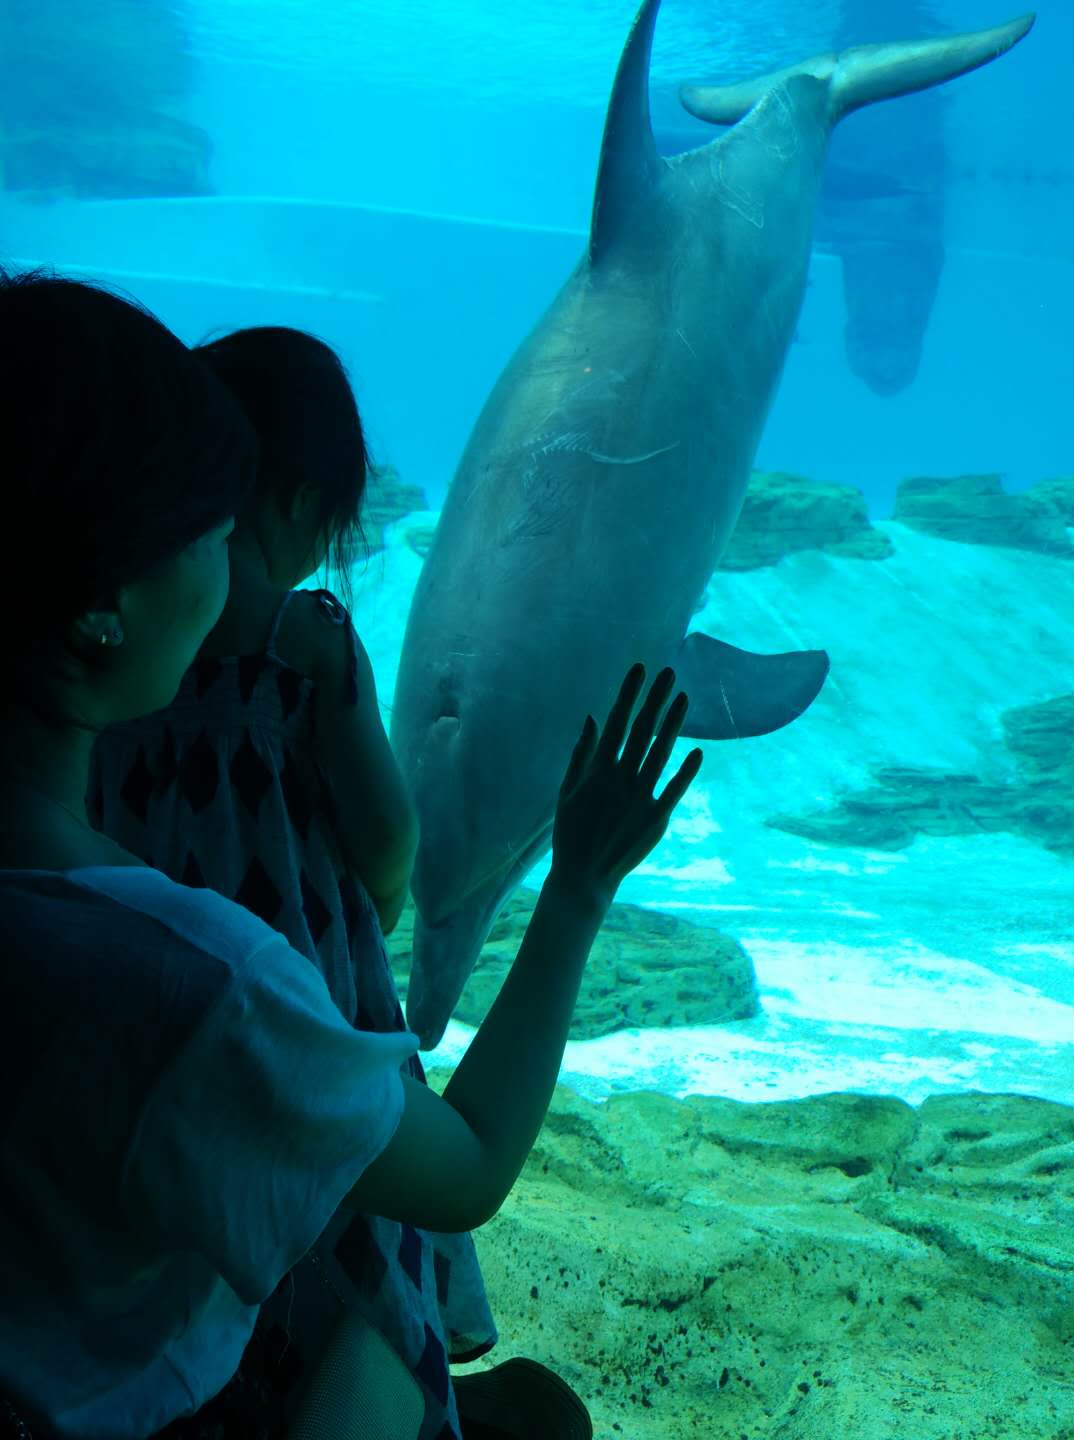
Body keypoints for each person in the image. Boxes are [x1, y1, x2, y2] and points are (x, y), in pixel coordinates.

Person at [0, 268, 704, 1439]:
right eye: (213, 531)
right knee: (523, 1413)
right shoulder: (205, 986)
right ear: (99, 612)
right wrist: (577, 883)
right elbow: (469, 1167)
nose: (241, 577)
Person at [86, 322, 563, 1438]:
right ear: (302, 503)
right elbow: (390, 842)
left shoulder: (118, 647)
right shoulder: (310, 645)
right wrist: (392, 897)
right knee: (349, 1221)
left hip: (145, 989)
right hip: (298, 991)